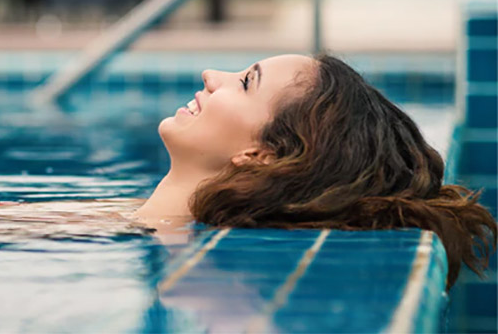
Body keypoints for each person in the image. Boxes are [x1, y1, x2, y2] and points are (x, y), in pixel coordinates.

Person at [134, 53, 497, 291]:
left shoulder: (177, 261)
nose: (210, 75)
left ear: (263, 154)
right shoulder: (149, 241)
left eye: (246, 83)